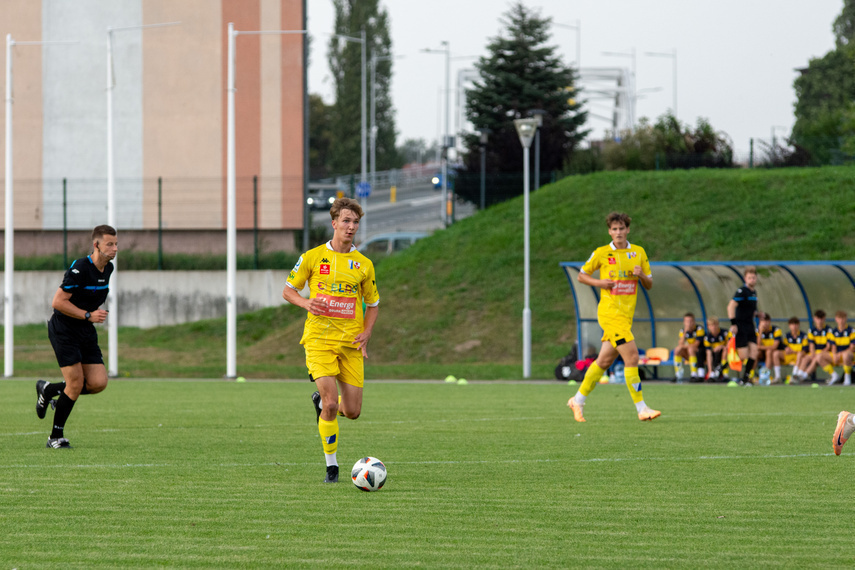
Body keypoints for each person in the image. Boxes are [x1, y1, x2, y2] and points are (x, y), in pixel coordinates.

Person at [282, 197, 380, 483]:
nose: (351, 227)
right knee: (330, 405)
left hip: (350, 344)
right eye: (346, 221)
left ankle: (326, 404)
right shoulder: (313, 257)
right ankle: (332, 468)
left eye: (355, 223)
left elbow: (373, 304)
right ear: (334, 223)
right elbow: (289, 290)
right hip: (319, 340)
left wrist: (367, 332)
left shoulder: (363, 264)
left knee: (352, 411)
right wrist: (306, 304)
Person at [567, 212, 660, 422]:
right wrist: (601, 283)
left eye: (622, 228)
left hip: (626, 317)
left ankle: (577, 400)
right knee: (633, 357)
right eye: (614, 229)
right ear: (609, 231)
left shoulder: (638, 252)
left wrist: (641, 275)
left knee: (604, 360)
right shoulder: (601, 253)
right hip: (610, 314)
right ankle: (641, 408)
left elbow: (649, 284)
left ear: (628, 230)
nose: (618, 232)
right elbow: (582, 275)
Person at [35, 225, 117, 449]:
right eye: (109, 244)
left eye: (116, 244)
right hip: (64, 330)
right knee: (75, 383)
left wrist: (88, 318)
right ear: (96, 245)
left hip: (85, 330)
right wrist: (88, 314)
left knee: (99, 382)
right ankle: (55, 437)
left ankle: (49, 390)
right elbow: (58, 302)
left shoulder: (108, 269)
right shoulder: (80, 267)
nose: (115, 248)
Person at [727, 266, 760, 386]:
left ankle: (746, 378)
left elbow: (750, 309)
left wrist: (758, 314)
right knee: (744, 355)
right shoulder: (741, 291)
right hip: (740, 325)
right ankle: (724, 365)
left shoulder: (754, 292)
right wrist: (733, 323)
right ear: (745, 279)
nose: (752, 280)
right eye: (749, 278)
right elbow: (731, 306)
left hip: (750, 325)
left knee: (754, 352)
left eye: (754, 277)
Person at [673, 312, 705, 381]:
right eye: (687, 321)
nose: (689, 323)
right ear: (684, 322)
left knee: (691, 349)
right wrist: (685, 332)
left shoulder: (699, 329)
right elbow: (680, 344)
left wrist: (685, 346)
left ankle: (694, 374)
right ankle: (678, 374)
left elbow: (696, 345)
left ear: (694, 321)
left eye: (691, 321)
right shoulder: (682, 331)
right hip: (688, 353)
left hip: (699, 354)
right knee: (677, 349)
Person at [803, 310, 834, 383]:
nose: (819, 321)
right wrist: (813, 354)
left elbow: (828, 347)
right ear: (814, 319)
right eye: (818, 319)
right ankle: (798, 374)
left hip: (825, 353)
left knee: (817, 358)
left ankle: (804, 375)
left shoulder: (828, 330)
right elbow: (811, 345)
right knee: (805, 358)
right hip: (816, 353)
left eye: (821, 319)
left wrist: (818, 354)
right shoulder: (812, 330)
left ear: (824, 319)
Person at [756, 313, 784, 384]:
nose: (765, 323)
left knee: (769, 351)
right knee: (755, 353)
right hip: (762, 354)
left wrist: (760, 347)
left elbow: (774, 347)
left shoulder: (776, 330)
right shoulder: (758, 331)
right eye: (762, 321)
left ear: (769, 321)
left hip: (774, 353)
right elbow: (757, 345)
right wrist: (760, 332)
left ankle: (766, 376)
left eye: (766, 321)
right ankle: (750, 375)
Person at [828, 310, 854, 386]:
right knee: (820, 356)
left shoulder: (851, 331)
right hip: (838, 355)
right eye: (839, 318)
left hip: (850, 354)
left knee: (846, 355)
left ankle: (847, 377)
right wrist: (834, 355)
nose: (841, 321)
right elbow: (833, 346)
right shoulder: (833, 331)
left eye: (843, 318)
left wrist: (840, 354)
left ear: (846, 319)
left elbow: (852, 347)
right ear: (836, 319)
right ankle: (834, 375)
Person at [782, 316, 809, 383]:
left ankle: (794, 373)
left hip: (799, 356)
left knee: (801, 354)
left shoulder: (803, 335)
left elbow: (805, 349)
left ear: (798, 325)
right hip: (790, 356)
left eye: (795, 324)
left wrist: (794, 351)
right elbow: (784, 346)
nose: (794, 326)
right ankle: (777, 377)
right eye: (792, 324)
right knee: (775, 354)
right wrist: (786, 349)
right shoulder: (787, 335)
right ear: (789, 326)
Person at [703, 317, 729, 381]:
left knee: (725, 350)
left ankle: (725, 374)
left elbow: (730, 345)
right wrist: (709, 370)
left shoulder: (725, 333)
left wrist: (722, 346)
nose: (714, 327)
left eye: (715, 324)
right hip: (714, 357)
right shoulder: (707, 337)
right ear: (708, 326)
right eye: (711, 325)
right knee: (708, 353)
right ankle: (711, 372)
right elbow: (708, 352)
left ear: (718, 324)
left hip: (726, 355)